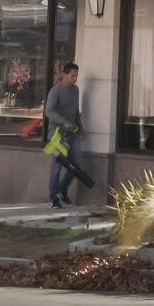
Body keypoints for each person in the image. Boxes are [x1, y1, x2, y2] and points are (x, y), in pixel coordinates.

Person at [43, 61, 93, 208]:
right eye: (72, 76)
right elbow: (49, 111)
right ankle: (54, 198)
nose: (74, 79)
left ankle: (63, 189)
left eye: (76, 76)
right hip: (57, 134)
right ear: (64, 75)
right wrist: (63, 122)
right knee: (58, 166)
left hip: (73, 133)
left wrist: (81, 128)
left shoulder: (76, 90)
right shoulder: (56, 91)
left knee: (76, 163)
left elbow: (76, 111)